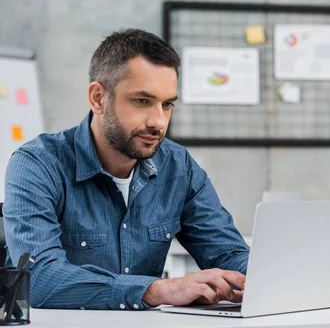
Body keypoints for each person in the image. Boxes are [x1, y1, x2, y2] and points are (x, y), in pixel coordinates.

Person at [3, 29, 249, 310]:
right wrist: (156, 291)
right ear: (98, 98)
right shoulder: (37, 165)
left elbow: (229, 255)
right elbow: (38, 279)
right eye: (142, 101)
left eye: (167, 104)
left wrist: (264, 279)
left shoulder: (179, 167)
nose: (158, 121)